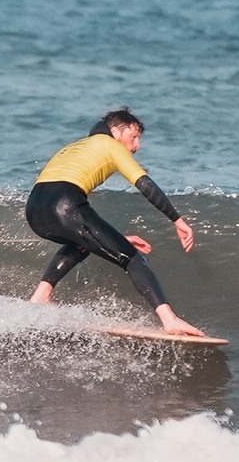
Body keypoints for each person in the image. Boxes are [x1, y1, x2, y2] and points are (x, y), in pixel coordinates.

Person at [26, 107, 206, 337]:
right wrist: (177, 220)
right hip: (65, 204)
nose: (137, 145)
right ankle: (170, 320)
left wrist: (112, 238)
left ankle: (42, 294)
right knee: (132, 257)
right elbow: (144, 184)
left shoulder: (74, 146)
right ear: (115, 132)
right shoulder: (111, 145)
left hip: (34, 209)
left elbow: (84, 228)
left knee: (83, 241)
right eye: (134, 137)